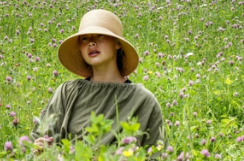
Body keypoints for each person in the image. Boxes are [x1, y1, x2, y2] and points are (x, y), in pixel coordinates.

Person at [33, 9, 164, 149]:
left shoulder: (142, 100)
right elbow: (39, 140)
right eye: (85, 38)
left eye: (100, 35)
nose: (91, 43)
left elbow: (156, 160)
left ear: (117, 43)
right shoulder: (67, 92)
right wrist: (41, 149)